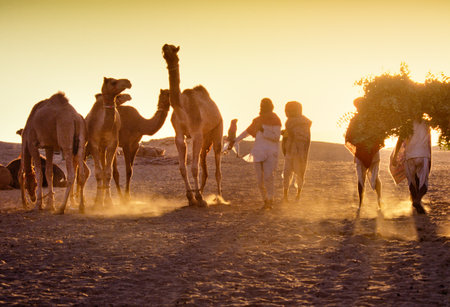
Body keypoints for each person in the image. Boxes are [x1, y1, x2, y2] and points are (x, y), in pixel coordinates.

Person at [227, 98, 281, 209]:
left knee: (268, 177)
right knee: (260, 179)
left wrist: (263, 131)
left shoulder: (275, 119)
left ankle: (270, 200)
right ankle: (265, 200)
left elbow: (276, 137)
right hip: (258, 152)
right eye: (262, 104)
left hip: (270, 153)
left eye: (265, 105)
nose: (263, 106)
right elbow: (246, 133)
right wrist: (235, 141)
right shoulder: (257, 120)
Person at [345, 97, 383, 211]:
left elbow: (380, 135)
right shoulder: (356, 120)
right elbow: (350, 136)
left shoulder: (374, 119)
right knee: (362, 179)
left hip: (372, 152)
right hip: (362, 152)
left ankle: (378, 201)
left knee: (373, 177)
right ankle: (362, 203)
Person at [394, 119, 431, 214]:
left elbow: (400, 141)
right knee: (424, 183)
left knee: (411, 183)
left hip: (410, 156)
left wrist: (395, 156)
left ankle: (416, 202)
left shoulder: (406, 124)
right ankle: (417, 201)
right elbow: (428, 142)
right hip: (423, 155)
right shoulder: (427, 123)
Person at [282, 101, 312, 202]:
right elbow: (288, 135)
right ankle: (285, 196)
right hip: (290, 151)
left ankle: (298, 195)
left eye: (288, 109)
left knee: (298, 173)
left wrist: (289, 134)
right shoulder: (289, 122)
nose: (286, 112)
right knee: (287, 173)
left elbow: (304, 137)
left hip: (299, 152)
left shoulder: (304, 122)